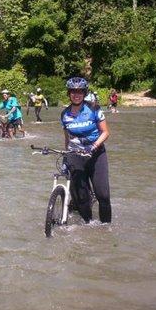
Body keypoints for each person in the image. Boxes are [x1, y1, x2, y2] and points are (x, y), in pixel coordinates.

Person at [60, 77, 111, 224]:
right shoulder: (64, 114)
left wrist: (93, 146)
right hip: (76, 155)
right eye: (73, 92)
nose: (76, 94)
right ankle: (88, 225)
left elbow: (105, 132)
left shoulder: (94, 109)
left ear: (84, 93)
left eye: (80, 91)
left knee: (103, 195)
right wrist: (66, 156)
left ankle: (105, 228)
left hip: (96, 154)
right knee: (81, 197)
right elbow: (67, 139)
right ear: (69, 93)